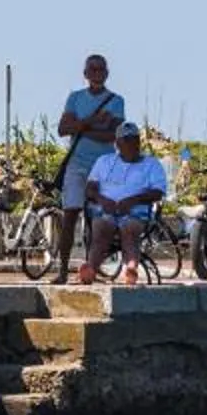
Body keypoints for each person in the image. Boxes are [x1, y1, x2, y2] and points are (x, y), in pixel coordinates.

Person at [52, 54, 126, 278]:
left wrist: (80, 127)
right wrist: (93, 123)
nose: (96, 73)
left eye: (100, 69)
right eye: (92, 69)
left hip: (103, 167)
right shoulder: (75, 98)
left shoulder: (116, 101)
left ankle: (92, 268)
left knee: (99, 220)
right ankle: (63, 270)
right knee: (69, 216)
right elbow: (63, 129)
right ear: (85, 73)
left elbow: (113, 135)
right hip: (77, 164)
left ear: (107, 73)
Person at [79, 122, 169, 284]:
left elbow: (158, 192)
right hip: (105, 209)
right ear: (118, 143)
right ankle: (91, 269)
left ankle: (131, 268)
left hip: (136, 211)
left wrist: (133, 200)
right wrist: (102, 200)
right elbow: (90, 189)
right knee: (101, 229)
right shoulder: (104, 161)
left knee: (129, 229)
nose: (131, 144)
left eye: (134, 139)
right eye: (126, 140)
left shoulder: (151, 164)